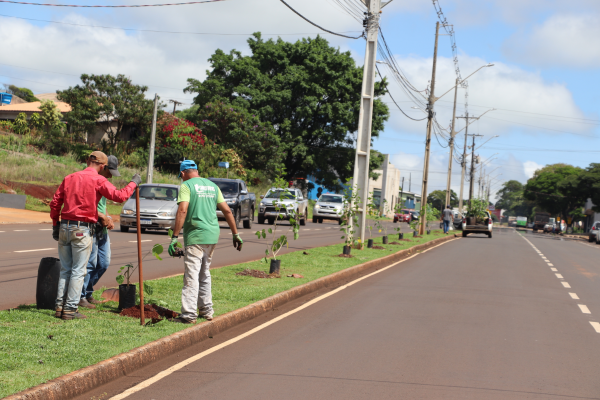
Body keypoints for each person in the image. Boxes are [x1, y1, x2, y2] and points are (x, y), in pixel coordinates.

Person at [50, 151, 141, 320]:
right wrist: (133, 183)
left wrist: (56, 224)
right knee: (78, 271)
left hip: (64, 227)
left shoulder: (70, 177)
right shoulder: (99, 180)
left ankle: (59, 307)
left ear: (87, 161)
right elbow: (119, 196)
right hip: (82, 229)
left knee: (65, 270)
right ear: (103, 166)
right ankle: (69, 310)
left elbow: (55, 203)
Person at [168, 160, 243, 324]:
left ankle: (188, 314)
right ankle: (206, 310)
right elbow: (227, 210)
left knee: (191, 275)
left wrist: (174, 237)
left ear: (183, 173)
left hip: (196, 235)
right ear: (196, 170)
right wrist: (235, 234)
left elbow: (182, 209)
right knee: (204, 272)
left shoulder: (187, 186)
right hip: (212, 235)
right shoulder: (212, 186)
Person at [79, 155, 121, 309]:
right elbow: (86, 205)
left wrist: (108, 217)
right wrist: (101, 217)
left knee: (103, 263)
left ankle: (87, 291)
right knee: (90, 263)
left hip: (102, 227)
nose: (111, 176)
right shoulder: (90, 180)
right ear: (103, 167)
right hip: (91, 226)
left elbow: (102, 205)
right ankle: (82, 295)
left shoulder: (104, 183)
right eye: (110, 171)